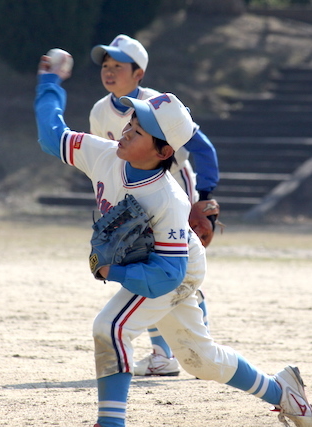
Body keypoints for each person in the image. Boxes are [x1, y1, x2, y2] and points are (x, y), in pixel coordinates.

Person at [34, 48, 312, 427]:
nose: (127, 129)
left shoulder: (168, 199)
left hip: (176, 267)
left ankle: (110, 422)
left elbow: (167, 274)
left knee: (112, 327)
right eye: (131, 121)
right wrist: (49, 84)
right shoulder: (103, 154)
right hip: (161, 265)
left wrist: (111, 272)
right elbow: (52, 135)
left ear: (164, 150)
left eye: (139, 129)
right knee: (201, 360)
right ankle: (284, 393)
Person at [89, 34, 221, 376]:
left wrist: (203, 198)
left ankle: (167, 350)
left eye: (118, 65)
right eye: (106, 65)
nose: (109, 71)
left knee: (164, 272)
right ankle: (170, 347)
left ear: (139, 73)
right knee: (141, 261)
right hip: (132, 203)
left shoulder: (158, 107)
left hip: (174, 199)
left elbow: (203, 149)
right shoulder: (100, 112)